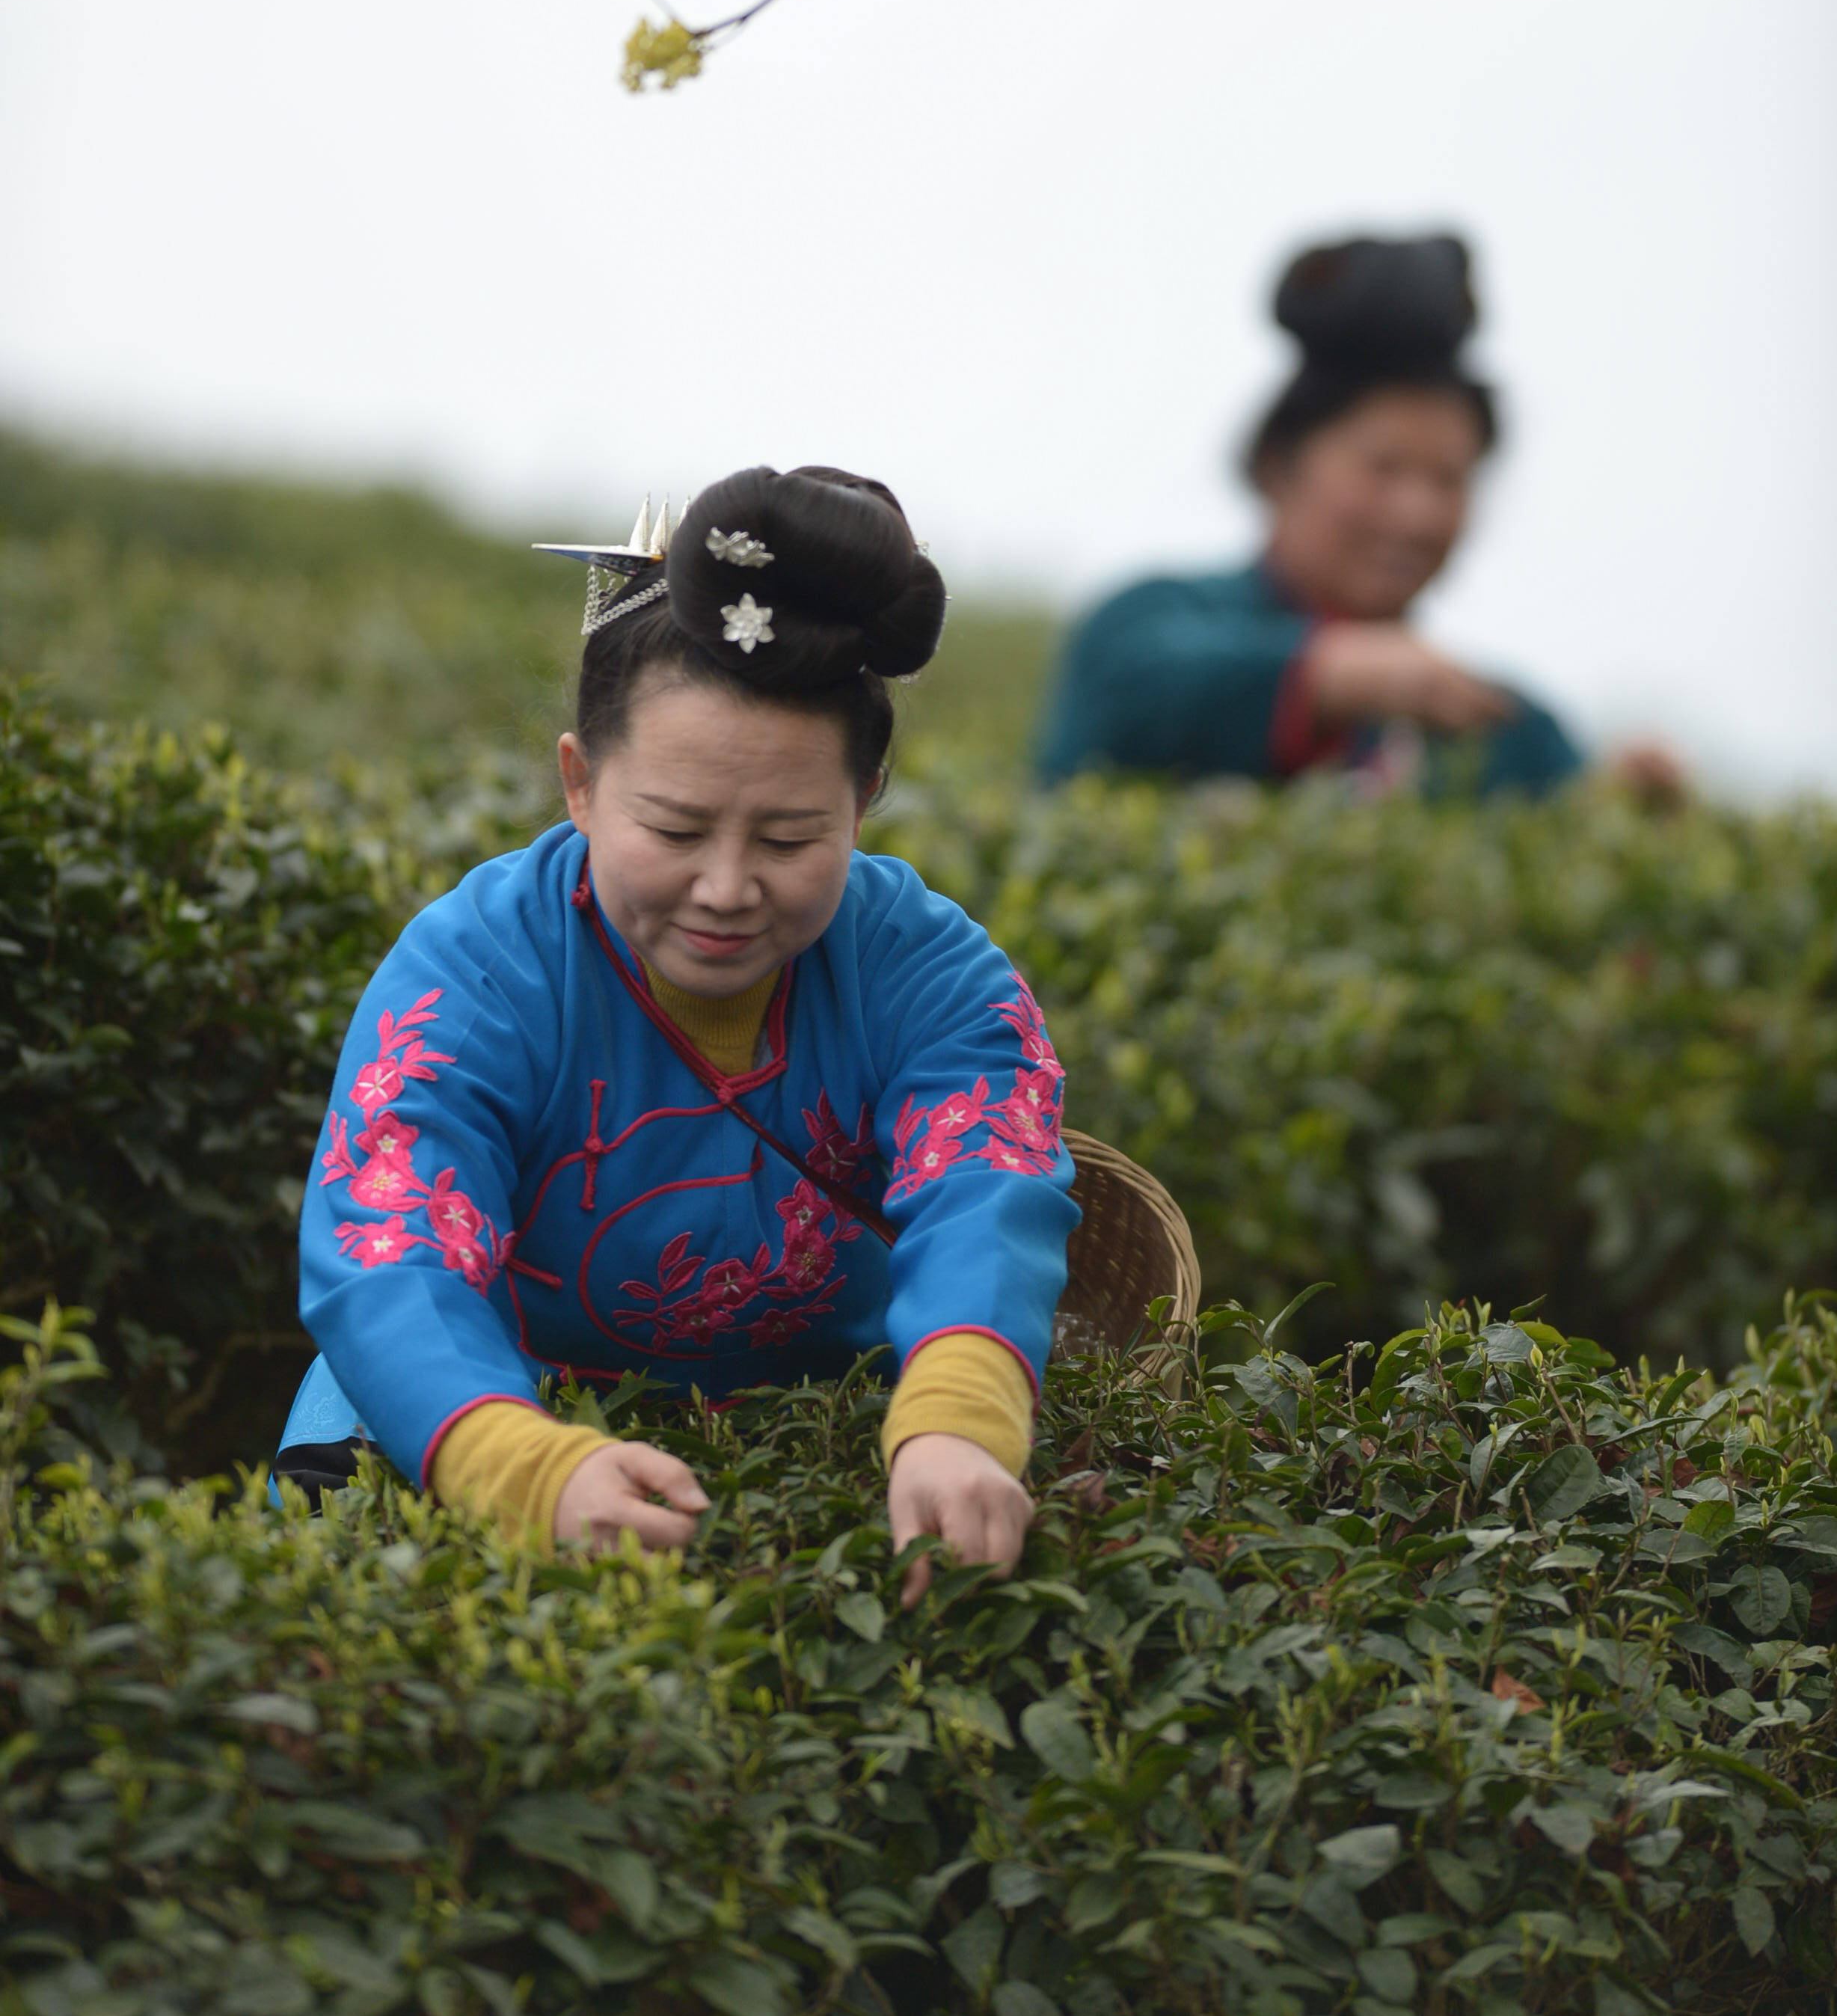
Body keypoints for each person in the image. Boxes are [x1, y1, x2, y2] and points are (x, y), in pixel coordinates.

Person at [275, 465, 1076, 1600]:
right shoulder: (479, 967)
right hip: (476, 1410)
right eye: (676, 826)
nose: (726, 888)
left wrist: (953, 1425)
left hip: (814, 1428)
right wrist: (519, 1465)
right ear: (581, 784)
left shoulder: (926, 968)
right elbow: (392, 1242)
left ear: (865, 801)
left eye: (792, 840)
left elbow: (987, 1189)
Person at [1036, 234, 1592, 796]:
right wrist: (1332, 677)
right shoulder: (1147, 623)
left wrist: (1630, 795)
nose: (1417, 514)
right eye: (1385, 468)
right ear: (1280, 466)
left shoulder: (1502, 729)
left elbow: (1585, 818)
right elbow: (1126, 701)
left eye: (1448, 479)